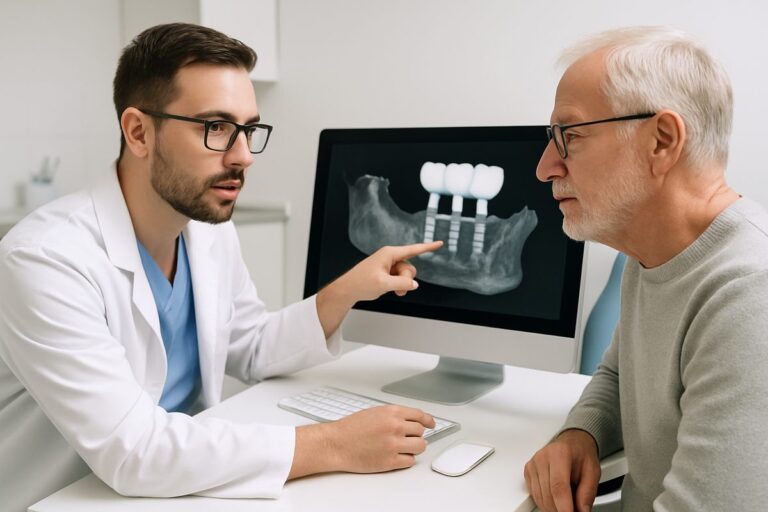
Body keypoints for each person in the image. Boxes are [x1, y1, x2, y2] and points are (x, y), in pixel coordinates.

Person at [0, 23, 442, 512]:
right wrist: (333, 444)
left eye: (249, 129)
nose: (244, 156)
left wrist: (348, 289)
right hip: (62, 498)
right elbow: (132, 449)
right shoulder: (45, 259)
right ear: (139, 131)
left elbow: (248, 346)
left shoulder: (205, 229)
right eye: (216, 128)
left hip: (177, 490)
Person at [523, 26, 768, 512]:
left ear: (661, 141)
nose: (546, 166)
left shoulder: (749, 294)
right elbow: (619, 374)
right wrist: (582, 431)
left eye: (569, 136)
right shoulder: (652, 252)